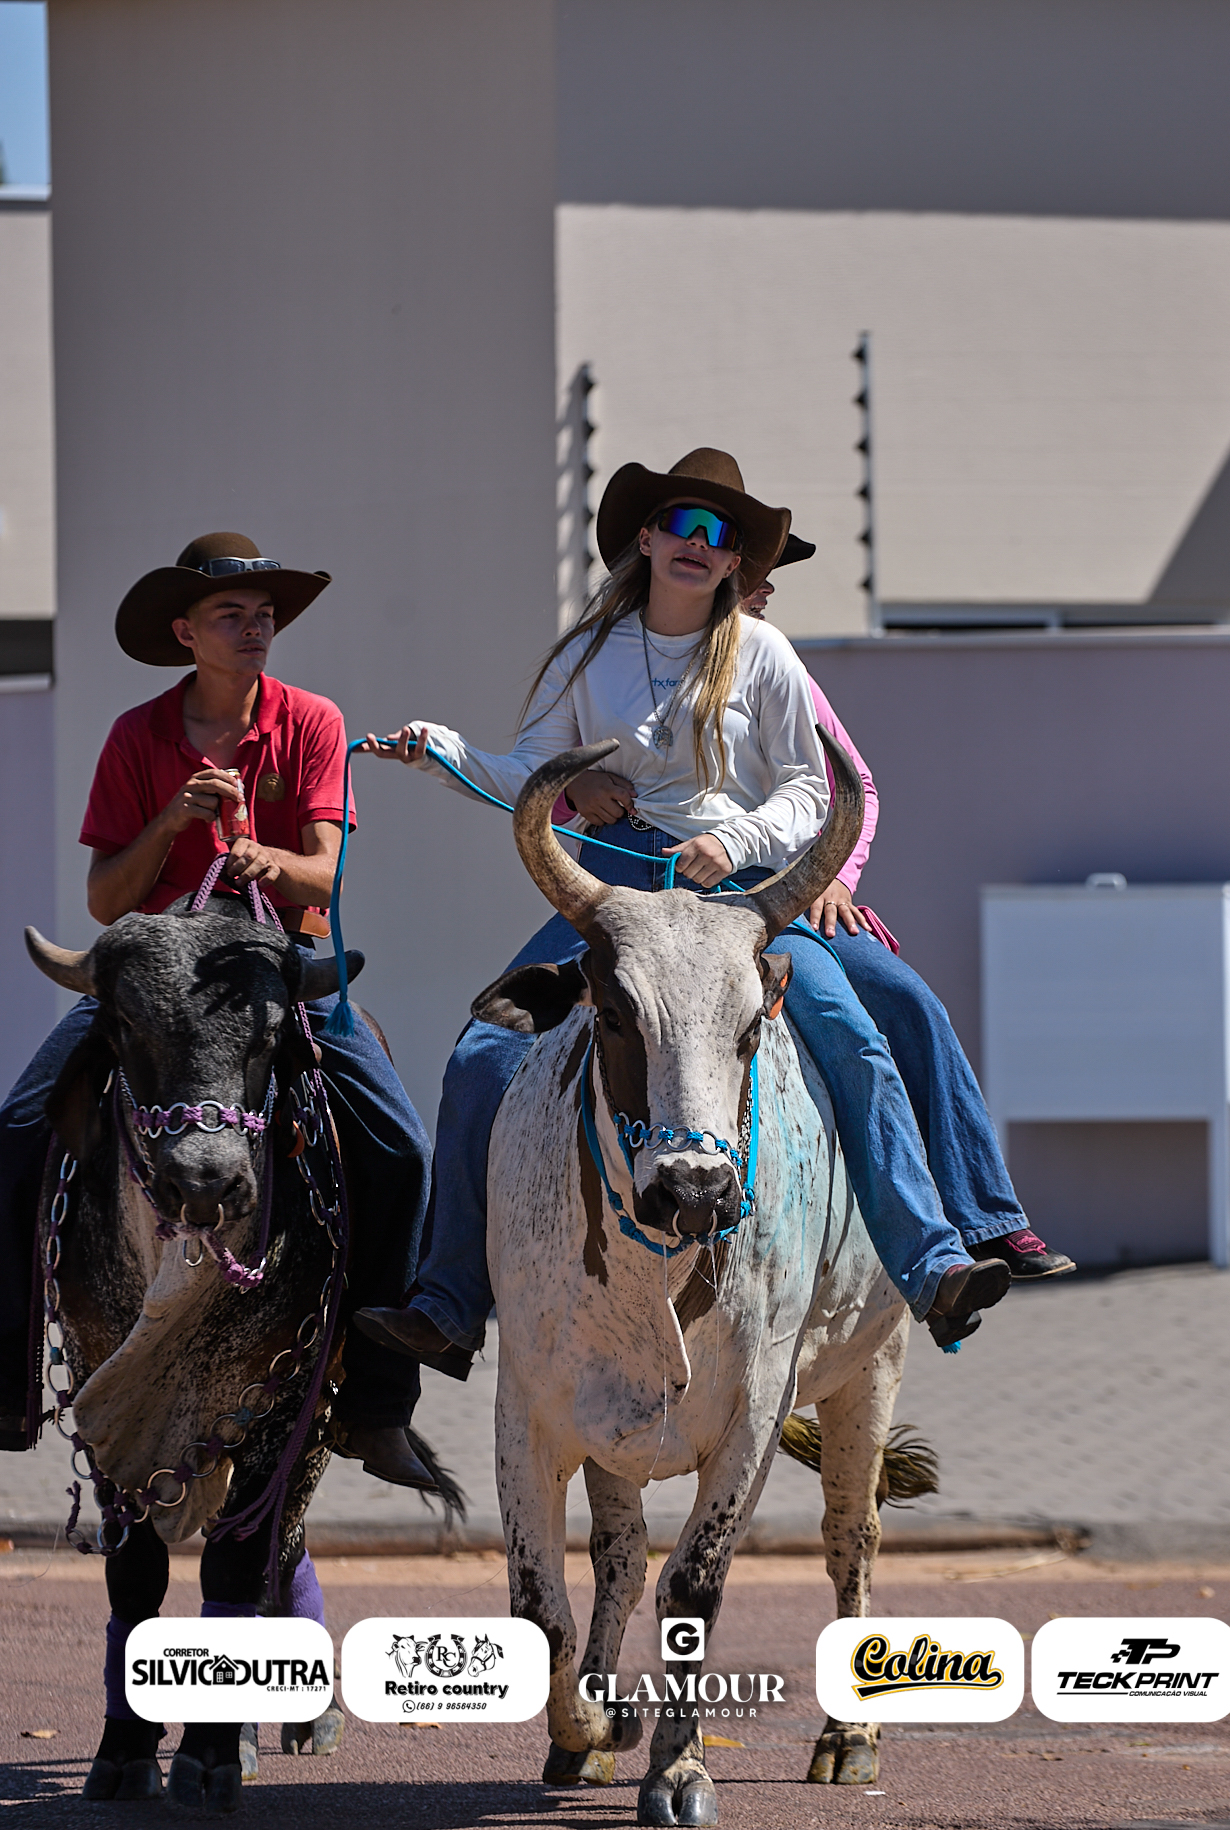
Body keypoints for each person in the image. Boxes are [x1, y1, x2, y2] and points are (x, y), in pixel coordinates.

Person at [353, 448, 1013, 1375]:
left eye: (720, 534)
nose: (698, 543)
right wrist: (440, 750)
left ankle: (933, 1262)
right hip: (617, 892)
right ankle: (450, 1299)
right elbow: (529, 777)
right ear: (647, 538)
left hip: (736, 899)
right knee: (483, 1053)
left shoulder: (763, 651)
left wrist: (735, 842)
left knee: (854, 1037)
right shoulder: (586, 654)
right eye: (682, 524)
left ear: (737, 561)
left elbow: (810, 787)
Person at [0, 532, 434, 1488]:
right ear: (185, 633)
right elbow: (106, 902)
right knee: (17, 1128)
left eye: (264, 614)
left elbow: (325, 873)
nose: (255, 628)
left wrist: (266, 862)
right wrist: (174, 821)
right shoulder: (136, 735)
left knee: (402, 1149)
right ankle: (10, 1380)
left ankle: (377, 1404)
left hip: (270, 965)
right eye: (231, 614)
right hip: (156, 975)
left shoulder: (311, 720)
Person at [547, 534, 1073, 1280]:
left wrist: (837, 878)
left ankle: (983, 1219)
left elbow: (849, 785)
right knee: (494, 1042)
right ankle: (456, 1285)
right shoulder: (606, 660)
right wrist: (572, 790)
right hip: (632, 893)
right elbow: (546, 777)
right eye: (756, 575)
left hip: (764, 895)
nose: (762, 589)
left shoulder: (772, 662)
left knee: (907, 1004)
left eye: (761, 575)